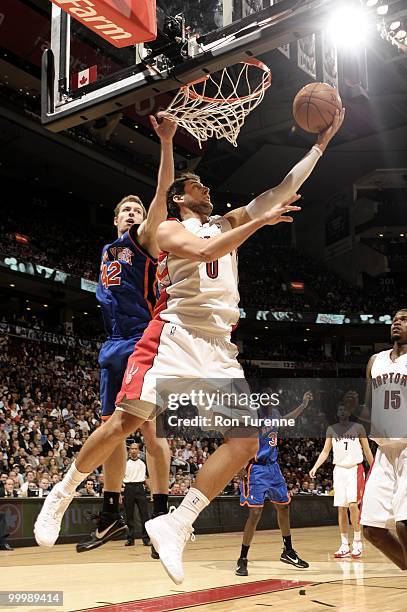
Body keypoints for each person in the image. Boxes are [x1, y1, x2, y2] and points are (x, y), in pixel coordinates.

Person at [34, 109, 344, 585]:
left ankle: (177, 522)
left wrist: (320, 146)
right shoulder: (167, 231)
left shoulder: (226, 220)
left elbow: (280, 191)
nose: (207, 191)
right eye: (197, 186)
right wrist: (257, 224)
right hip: (175, 335)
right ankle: (63, 491)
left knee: (244, 442)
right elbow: (204, 253)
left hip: (219, 346)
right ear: (179, 196)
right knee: (126, 421)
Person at [75, 114, 176, 554]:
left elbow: (159, 198)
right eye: (126, 210)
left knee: (152, 435)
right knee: (110, 431)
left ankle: (159, 517)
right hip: (113, 345)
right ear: (115, 218)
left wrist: (166, 144)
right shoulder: (107, 249)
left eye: (137, 210)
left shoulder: (146, 240)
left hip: (143, 342)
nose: (133, 213)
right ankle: (111, 513)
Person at [236, 391, 313, 576]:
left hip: (273, 467)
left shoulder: (276, 414)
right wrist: (239, 467)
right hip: (255, 468)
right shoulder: (251, 417)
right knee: (255, 513)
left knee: (284, 508)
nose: (268, 400)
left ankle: (288, 551)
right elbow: (238, 442)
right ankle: (242, 558)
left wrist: (302, 406)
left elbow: (286, 419)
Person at [357, 310, 407, 569]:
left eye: (405, 319)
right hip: (384, 452)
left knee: (403, 523)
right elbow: (368, 408)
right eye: (395, 319)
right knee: (371, 530)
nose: (397, 322)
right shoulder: (375, 361)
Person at [309, 403, 373, 559]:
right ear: (337, 412)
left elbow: (367, 450)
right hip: (339, 470)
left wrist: (374, 470)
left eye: (345, 409)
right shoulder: (331, 429)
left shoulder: (358, 428)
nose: (342, 411)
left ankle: (357, 542)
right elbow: (325, 451)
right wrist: (315, 467)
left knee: (353, 505)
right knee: (341, 508)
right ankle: (344, 545)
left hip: (354, 469)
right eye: (340, 409)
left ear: (349, 412)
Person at [123, 443, 150, 546]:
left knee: (144, 514)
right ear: (129, 450)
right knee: (129, 515)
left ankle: (146, 539)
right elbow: (120, 477)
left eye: (135, 449)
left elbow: (147, 478)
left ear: (139, 450)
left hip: (140, 488)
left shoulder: (143, 463)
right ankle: (130, 539)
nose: (133, 450)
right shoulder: (125, 463)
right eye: (132, 449)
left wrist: (151, 491)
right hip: (128, 488)